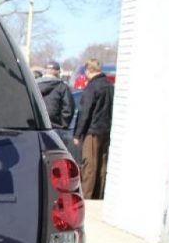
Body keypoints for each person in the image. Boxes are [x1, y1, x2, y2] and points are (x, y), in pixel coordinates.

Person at [73, 58, 114, 199]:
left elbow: (85, 112)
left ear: (88, 70)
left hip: (93, 131)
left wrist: (78, 134)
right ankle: (99, 194)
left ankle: (87, 196)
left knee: (89, 165)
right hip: (107, 131)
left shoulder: (92, 87)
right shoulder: (109, 86)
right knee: (102, 165)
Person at [36, 60, 75, 144]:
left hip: (36, 128)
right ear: (58, 72)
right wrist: (64, 126)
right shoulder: (62, 87)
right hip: (56, 129)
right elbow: (68, 108)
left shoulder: (34, 86)